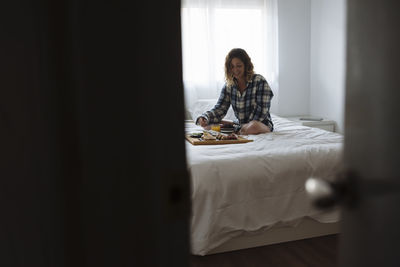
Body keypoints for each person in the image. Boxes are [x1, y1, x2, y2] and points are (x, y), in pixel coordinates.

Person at [196, 48, 274, 135]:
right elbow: (220, 108)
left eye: (239, 66)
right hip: (240, 124)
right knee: (208, 125)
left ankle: (238, 130)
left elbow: (261, 111)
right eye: (232, 66)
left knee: (253, 126)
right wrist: (205, 117)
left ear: (246, 65)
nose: (235, 70)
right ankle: (238, 129)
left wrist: (241, 126)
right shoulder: (229, 85)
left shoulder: (259, 81)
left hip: (260, 124)